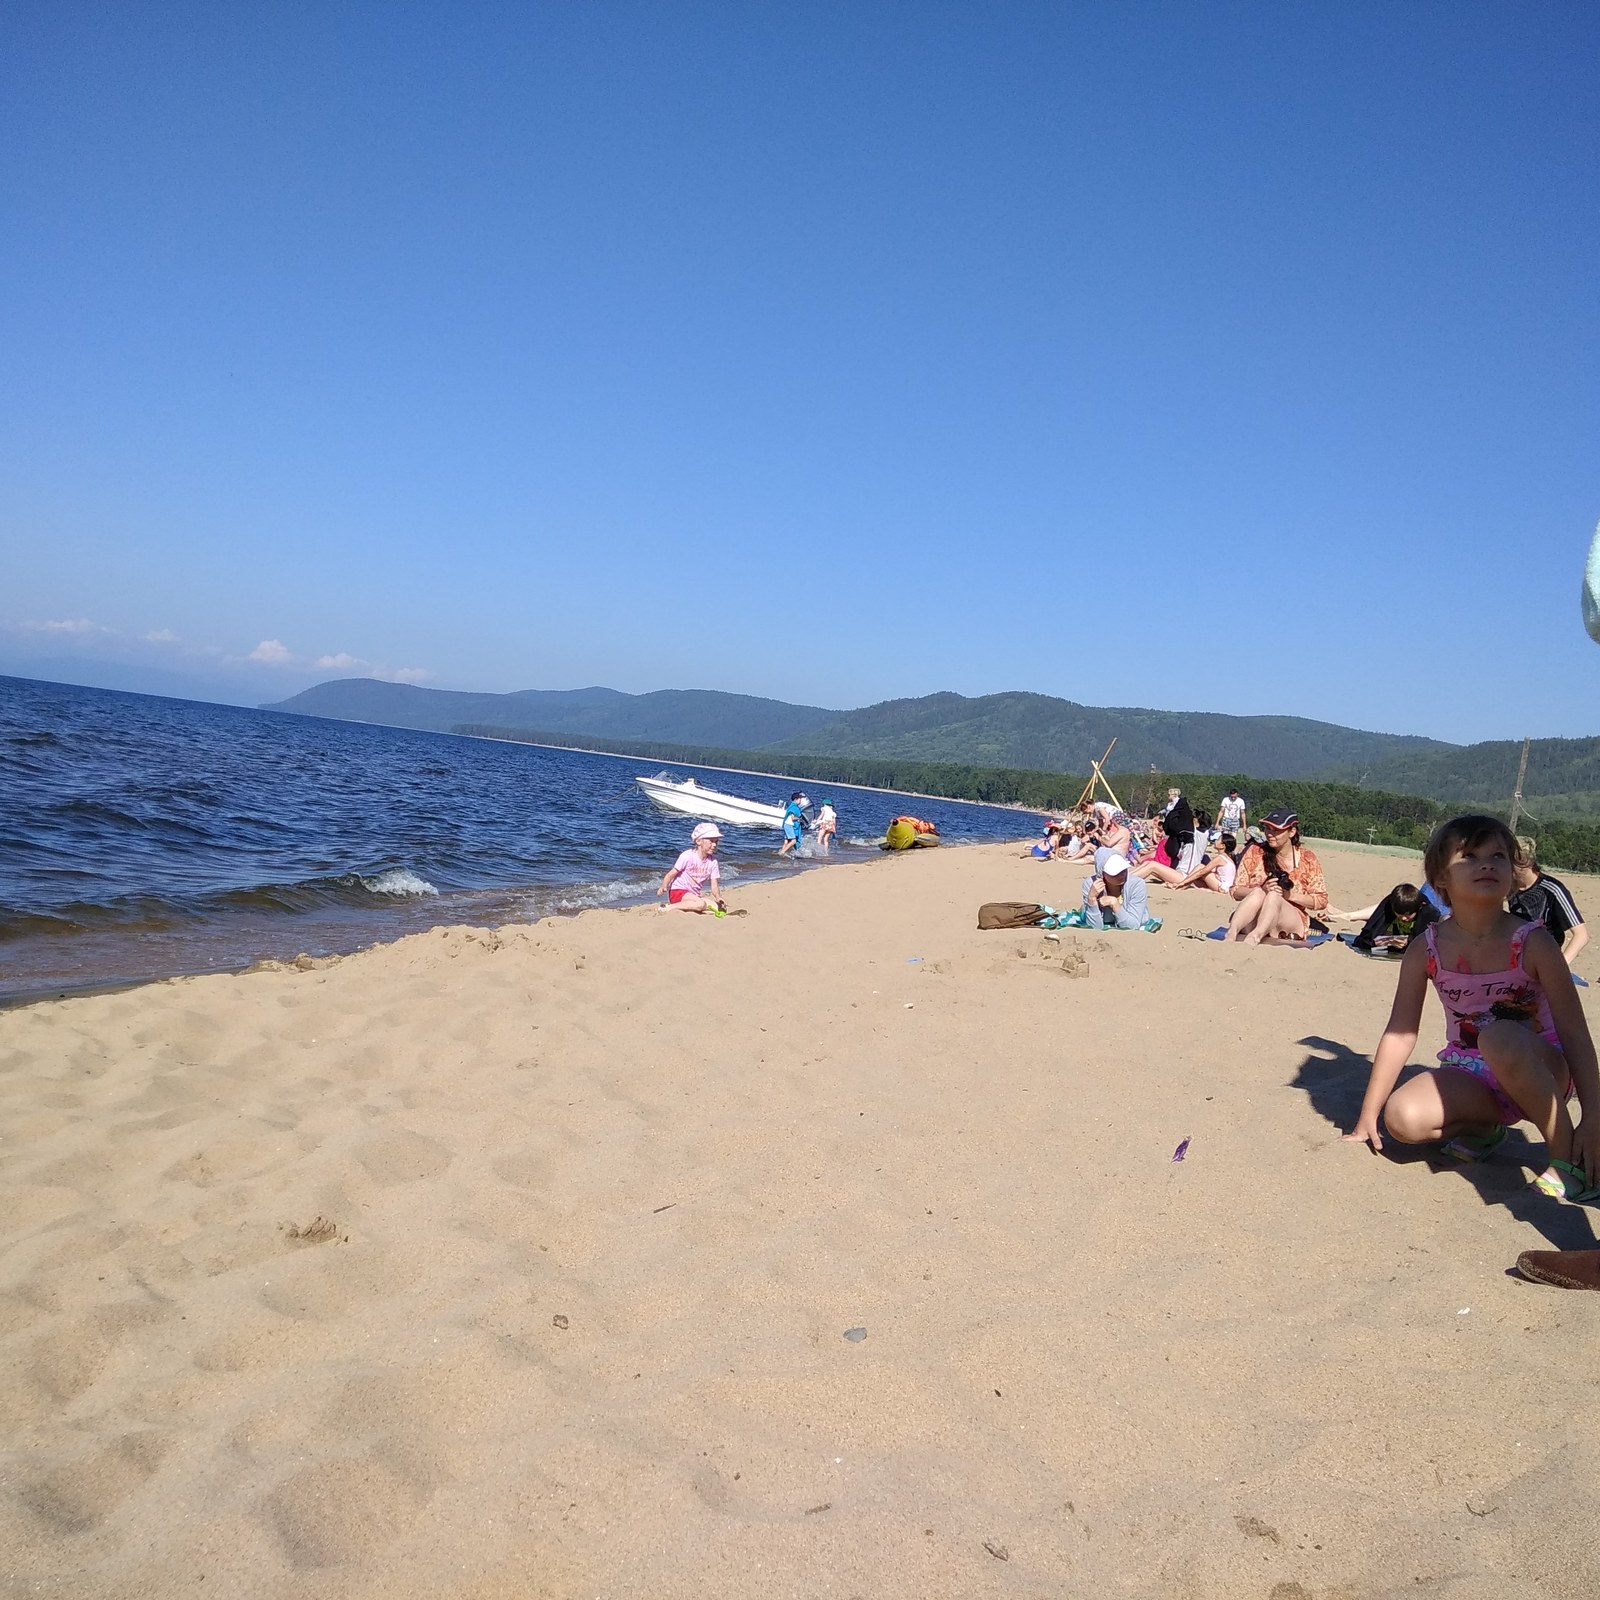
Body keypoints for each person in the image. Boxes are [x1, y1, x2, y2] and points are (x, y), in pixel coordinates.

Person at [1344, 814, 1600, 1202]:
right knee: (1402, 1119)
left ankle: (1566, 1157)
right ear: (1440, 878)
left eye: (1498, 855)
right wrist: (1368, 1112)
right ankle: (1485, 1128)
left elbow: (1575, 1033)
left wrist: (1594, 1116)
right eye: (1469, 855)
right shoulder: (1425, 949)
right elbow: (1400, 1033)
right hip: (1473, 1073)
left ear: (1513, 872)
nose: (1486, 863)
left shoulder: (1533, 943)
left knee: (1497, 1036)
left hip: (1543, 1069)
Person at [1225, 807, 1328, 943]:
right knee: (1259, 893)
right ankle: (1232, 932)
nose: (1270, 834)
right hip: (1254, 916)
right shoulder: (1255, 852)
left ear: (1291, 832)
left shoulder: (1307, 858)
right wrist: (1262, 889)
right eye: (1267, 828)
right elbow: (1236, 891)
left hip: (1289, 919)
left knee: (1273, 896)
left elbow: (1321, 900)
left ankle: (1256, 935)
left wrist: (1290, 896)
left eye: (1276, 830)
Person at [1509, 837, 1588, 968]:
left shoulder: (1553, 889)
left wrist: (1559, 966)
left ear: (1526, 862)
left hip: (1545, 960)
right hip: (1517, 961)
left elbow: (1581, 935)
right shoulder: (1509, 887)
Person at [657, 822, 729, 914]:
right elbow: (671, 874)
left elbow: (714, 886)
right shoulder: (687, 856)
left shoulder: (713, 862)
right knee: (701, 904)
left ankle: (695, 908)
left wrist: (718, 897)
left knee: (720, 908)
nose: (714, 845)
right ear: (699, 841)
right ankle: (668, 907)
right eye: (711, 841)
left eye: (716, 841)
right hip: (678, 891)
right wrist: (664, 886)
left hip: (693, 895)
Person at [1352, 882, 1440, 953]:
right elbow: (1363, 939)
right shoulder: (1390, 904)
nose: (1404, 918)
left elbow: (1428, 946)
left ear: (1419, 907)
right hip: (1390, 945)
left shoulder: (1429, 912)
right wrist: (1380, 942)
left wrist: (1407, 942)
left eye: (1408, 914)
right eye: (1399, 914)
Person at [1133, 836, 1237, 894]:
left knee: (1201, 867)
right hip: (1224, 886)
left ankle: (1181, 885)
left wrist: (1182, 883)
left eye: (1218, 839)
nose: (1215, 841)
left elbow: (1202, 871)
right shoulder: (1228, 859)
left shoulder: (1220, 858)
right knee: (1149, 864)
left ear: (1222, 845)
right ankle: (1129, 875)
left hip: (1222, 887)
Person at [1081, 851, 1151, 930]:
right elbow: (1095, 928)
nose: (1121, 875)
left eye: (1123, 870)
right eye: (1116, 873)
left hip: (1131, 920)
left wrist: (1114, 903)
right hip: (1102, 918)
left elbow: (1133, 926)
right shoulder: (1091, 885)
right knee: (1084, 911)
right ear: (1102, 873)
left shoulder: (1137, 884)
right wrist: (1092, 899)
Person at [778, 792, 809, 858]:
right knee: (793, 841)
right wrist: (799, 819)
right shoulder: (794, 807)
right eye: (800, 799)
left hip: (787, 825)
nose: (800, 801)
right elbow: (793, 818)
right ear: (796, 799)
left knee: (786, 841)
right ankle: (782, 852)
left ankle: (781, 853)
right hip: (789, 825)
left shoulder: (792, 806)